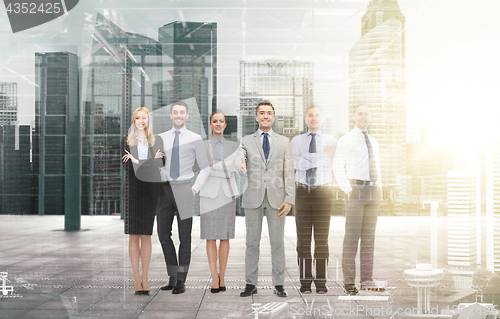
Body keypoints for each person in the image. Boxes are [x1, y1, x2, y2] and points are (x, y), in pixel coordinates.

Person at [239, 101, 295, 298]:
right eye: (261, 113)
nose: (265, 116)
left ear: (273, 117)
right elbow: (240, 159)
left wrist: (289, 198)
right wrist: (239, 163)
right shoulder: (245, 141)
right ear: (256, 117)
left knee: (277, 243)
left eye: (269, 113)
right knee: (251, 243)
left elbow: (288, 171)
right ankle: (250, 283)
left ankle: (279, 284)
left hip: (277, 199)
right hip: (253, 197)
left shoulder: (284, 142)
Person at [157, 101, 210, 295]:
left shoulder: (195, 139)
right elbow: (155, 164)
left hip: (185, 190)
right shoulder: (160, 138)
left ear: (187, 116)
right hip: (164, 191)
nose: (178, 115)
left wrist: (195, 189)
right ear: (171, 115)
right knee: (163, 234)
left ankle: (181, 280)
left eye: (182, 113)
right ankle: (172, 276)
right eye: (175, 112)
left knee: (185, 236)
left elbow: (205, 167)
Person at [333, 105, 383, 295]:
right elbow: (337, 166)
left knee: (369, 239)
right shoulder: (346, 139)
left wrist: (380, 187)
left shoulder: (373, 141)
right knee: (352, 238)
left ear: (370, 117)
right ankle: (349, 283)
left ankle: (367, 280)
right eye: (360, 114)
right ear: (354, 116)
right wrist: (348, 190)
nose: (363, 117)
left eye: (367, 114)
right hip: (356, 190)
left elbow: (378, 164)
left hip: (373, 190)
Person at [199, 111, 247, 293]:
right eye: (215, 121)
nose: (218, 124)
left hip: (227, 195)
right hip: (209, 195)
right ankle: (213, 277)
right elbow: (204, 168)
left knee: (225, 237)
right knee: (210, 237)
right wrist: (228, 166)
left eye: (221, 121)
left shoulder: (235, 145)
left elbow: (240, 169)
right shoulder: (202, 146)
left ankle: (222, 276)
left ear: (225, 124)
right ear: (210, 124)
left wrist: (219, 166)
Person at [291, 105, 336, 294]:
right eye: (310, 115)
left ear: (322, 118)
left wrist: (306, 157)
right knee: (303, 241)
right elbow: (296, 163)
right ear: (305, 118)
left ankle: (321, 283)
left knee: (321, 240)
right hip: (302, 192)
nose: (314, 118)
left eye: (317, 115)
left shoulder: (331, 140)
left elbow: (328, 161)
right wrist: (319, 155)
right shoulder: (296, 140)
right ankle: (305, 283)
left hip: (323, 194)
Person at [121, 107, 164, 295]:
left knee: (146, 235)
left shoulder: (157, 141)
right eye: (137, 118)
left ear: (148, 120)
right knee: (133, 236)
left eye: (144, 117)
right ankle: (136, 280)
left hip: (150, 193)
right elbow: (128, 168)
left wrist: (137, 161)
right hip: (132, 191)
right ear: (134, 120)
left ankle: (145, 278)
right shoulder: (125, 140)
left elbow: (161, 165)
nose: (141, 121)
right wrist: (148, 161)